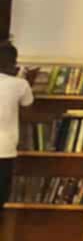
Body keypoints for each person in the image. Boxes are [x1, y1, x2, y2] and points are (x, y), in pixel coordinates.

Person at [0, 45, 33, 228]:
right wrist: (27, 80)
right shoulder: (20, 85)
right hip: (4, 151)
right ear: (12, 62)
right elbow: (28, 113)